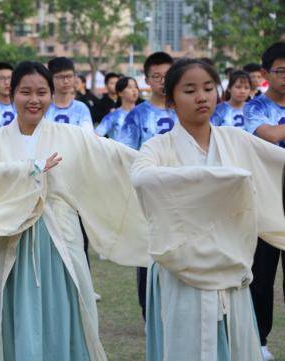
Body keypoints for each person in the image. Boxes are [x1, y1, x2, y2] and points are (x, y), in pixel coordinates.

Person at [0, 61, 149, 361]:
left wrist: (158, 169)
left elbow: (113, 157)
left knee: (60, 308)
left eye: (41, 92)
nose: (34, 99)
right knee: (9, 310)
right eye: (25, 92)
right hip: (8, 239)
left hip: (59, 241)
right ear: (12, 94)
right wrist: (28, 170)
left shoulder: (70, 135)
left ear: (51, 95)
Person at [132, 57, 285, 361]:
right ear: (172, 100)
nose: (201, 97)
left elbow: (278, 165)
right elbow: (142, 177)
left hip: (229, 266)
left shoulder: (236, 140)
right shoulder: (158, 147)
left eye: (208, 88)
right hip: (181, 269)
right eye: (189, 90)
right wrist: (215, 180)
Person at [121, 51, 177, 320]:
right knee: (148, 255)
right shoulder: (137, 115)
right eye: (156, 76)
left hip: (182, 194)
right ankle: (149, 312)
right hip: (148, 195)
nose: (162, 81)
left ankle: (177, 308)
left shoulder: (185, 108)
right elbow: (126, 153)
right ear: (146, 80)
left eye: (167, 75)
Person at [244, 41, 285, 361]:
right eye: (281, 71)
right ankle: (259, 341)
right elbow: (269, 135)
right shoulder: (255, 106)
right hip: (266, 197)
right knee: (262, 275)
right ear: (265, 73)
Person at [45, 57, 93, 131]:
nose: (66, 81)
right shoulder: (44, 107)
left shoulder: (81, 108)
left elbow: (88, 136)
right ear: (51, 79)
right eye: (61, 77)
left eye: (69, 76)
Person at [95, 76, 139, 148]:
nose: (134, 90)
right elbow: (96, 136)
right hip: (119, 157)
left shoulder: (144, 114)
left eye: (136, 87)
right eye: (130, 87)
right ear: (120, 93)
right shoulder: (113, 116)